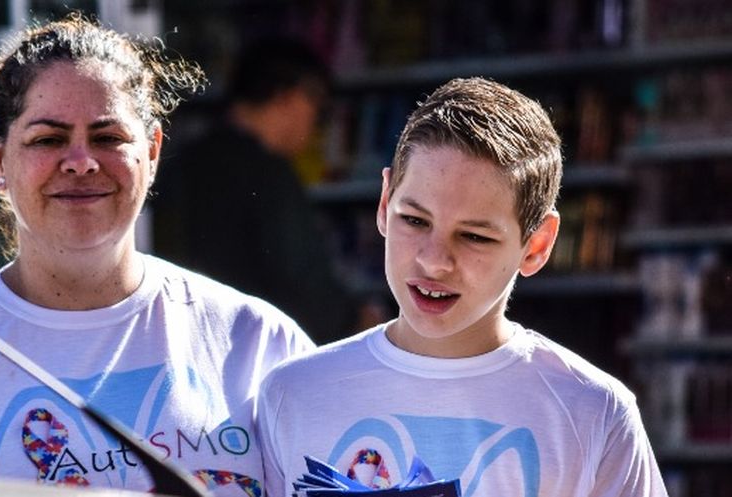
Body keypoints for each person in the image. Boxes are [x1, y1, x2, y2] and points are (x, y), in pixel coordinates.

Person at [0, 14, 314, 495]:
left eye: (108, 137)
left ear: (152, 152)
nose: (80, 162)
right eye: (48, 139)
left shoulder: (256, 341)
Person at [255, 78, 667, 497]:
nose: (434, 260)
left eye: (474, 237)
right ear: (384, 204)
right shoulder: (292, 394)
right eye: (414, 220)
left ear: (537, 245)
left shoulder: (594, 415)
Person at [152, 37, 361, 345]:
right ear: (286, 95)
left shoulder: (180, 162)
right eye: (318, 105)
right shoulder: (270, 175)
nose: (317, 121)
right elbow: (301, 281)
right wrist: (355, 321)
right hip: (259, 347)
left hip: (189, 340)